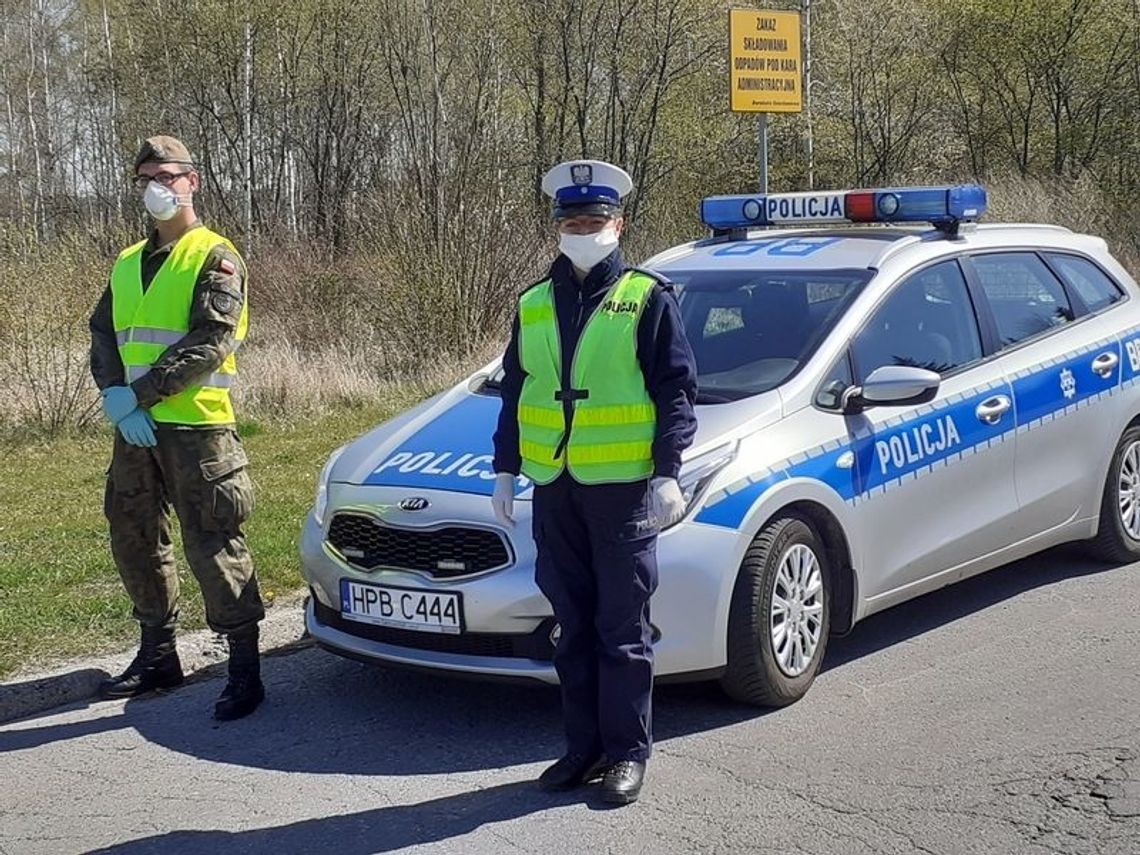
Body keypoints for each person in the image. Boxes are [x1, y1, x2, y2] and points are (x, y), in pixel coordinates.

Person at [491, 159, 698, 804]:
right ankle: (582, 750)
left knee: (621, 629)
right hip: (555, 486)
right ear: (557, 227)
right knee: (572, 625)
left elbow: (675, 391)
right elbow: (516, 391)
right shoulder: (532, 302)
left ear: (618, 225)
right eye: (572, 222)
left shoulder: (647, 297)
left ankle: (627, 754)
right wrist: (505, 468)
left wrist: (667, 472)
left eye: (595, 221)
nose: (583, 231)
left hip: (622, 490)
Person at [88, 135, 265, 721]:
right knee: (134, 535)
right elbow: (103, 332)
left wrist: (138, 395)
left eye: (166, 176)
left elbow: (211, 341)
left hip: (197, 428)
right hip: (134, 430)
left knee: (214, 541)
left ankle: (244, 669)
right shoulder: (126, 262)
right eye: (145, 178)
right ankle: (158, 654)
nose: (155, 187)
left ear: (192, 181)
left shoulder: (215, 256)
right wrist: (116, 399)